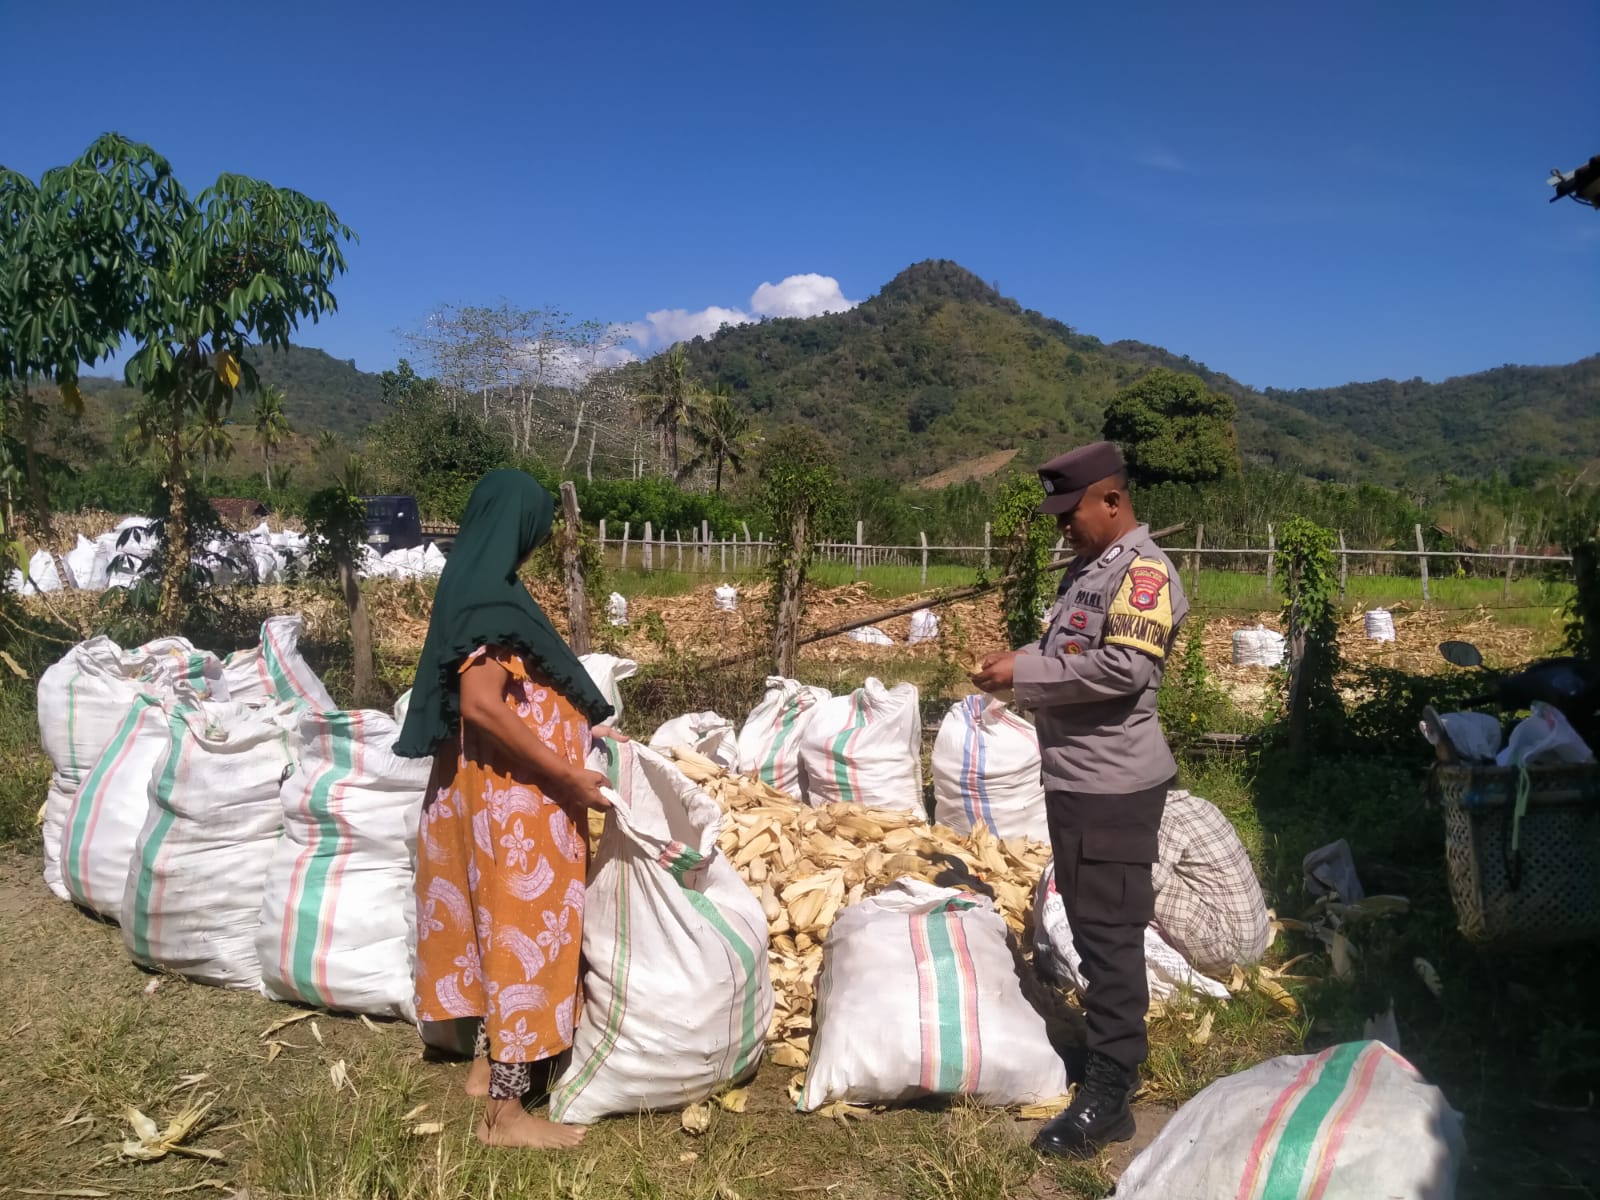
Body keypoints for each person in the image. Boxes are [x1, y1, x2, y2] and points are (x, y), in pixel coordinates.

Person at [971, 440, 1187, 1158]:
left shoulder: (1143, 573)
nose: (1065, 526)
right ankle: (1108, 1056)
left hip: (1112, 786)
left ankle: (1111, 1095)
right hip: (1076, 777)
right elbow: (1073, 653)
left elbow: (1124, 669)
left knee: (1110, 935)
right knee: (1094, 927)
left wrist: (1024, 673)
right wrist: (1025, 662)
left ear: (1113, 501)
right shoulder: (1087, 571)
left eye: (1073, 512)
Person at [395, 469, 622, 1150]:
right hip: (514, 803)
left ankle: (483, 1067)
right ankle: (506, 1113)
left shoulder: (466, 584)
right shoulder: (493, 599)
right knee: (526, 937)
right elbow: (482, 704)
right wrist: (568, 775)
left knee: (488, 931)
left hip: (471, 794)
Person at [1153, 790, 1271, 975]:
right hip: (1257, 940)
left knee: (1139, 877)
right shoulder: (1203, 805)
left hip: (1228, 954)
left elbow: (1145, 883)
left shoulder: (1164, 818)